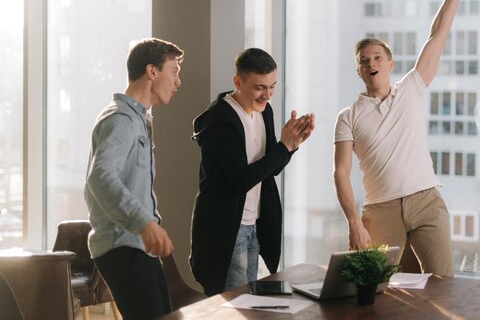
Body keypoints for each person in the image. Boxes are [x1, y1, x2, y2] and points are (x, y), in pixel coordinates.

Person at [333, 0, 480, 276]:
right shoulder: (348, 116)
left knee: (441, 287)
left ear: (390, 64)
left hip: (426, 203)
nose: (371, 63)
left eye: (378, 57)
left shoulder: (411, 88)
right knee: (372, 288)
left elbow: (438, 34)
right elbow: (340, 172)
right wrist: (353, 223)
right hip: (380, 211)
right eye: (364, 61)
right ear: (359, 71)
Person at [190, 47, 315, 296]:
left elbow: (271, 169)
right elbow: (241, 180)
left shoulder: (263, 111)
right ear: (238, 81)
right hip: (227, 228)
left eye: (272, 86)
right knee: (236, 306)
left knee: (248, 302)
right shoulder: (220, 121)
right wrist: (283, 146)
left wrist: (292, 145)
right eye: (260, 87)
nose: (267, 95)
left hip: (253, 225)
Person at [84, 38, 184, 320]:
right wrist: (144, 222)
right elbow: (100, 176)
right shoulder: (120, 119)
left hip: (136, 247)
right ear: (152, 71)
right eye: (174, 72)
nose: (178, 82)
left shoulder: (138, 119)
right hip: (122, 247)